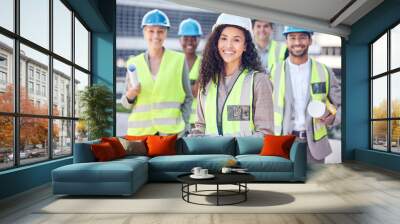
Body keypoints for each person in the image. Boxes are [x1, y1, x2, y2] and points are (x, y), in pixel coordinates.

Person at [191, 13, 274, 136]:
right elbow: (201, 127)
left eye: (236, 40)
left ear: (245, 45)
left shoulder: (258, 81)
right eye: (224, 38)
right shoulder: (207, 81)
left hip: (244, 155)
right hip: (212, 155)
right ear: (216, 42)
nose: (228, 45)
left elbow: (265, 133)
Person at [270, 26, 341, 163]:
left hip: (314, 147)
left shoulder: (324, 71)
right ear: (286, 41)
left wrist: (332, 118)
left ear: (310, 41)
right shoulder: (274, 72)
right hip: (282, 143)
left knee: (315, 184)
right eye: (292, 38)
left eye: (302, 37)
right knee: (284, 184)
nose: (297, 42)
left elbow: (341, 105)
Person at [121, 9, 193, 136]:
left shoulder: (178, 60)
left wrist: (185, 124)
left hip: (171, 133)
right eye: (151, 31)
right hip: (140, 135)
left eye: (160, 31)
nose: (156, 36)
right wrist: (130, 95)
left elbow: (188, 97)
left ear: (166, 34)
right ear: (144, 32)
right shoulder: (133, 63)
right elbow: (125, 104)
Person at [178, 18, 203, 128]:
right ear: (180, 40)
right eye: (186, 38)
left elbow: (197, 92)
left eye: (193, 38)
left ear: (199, 40)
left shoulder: (204, 63)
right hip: (177, 121)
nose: (190, 42)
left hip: (197, 122)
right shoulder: (174, 62)